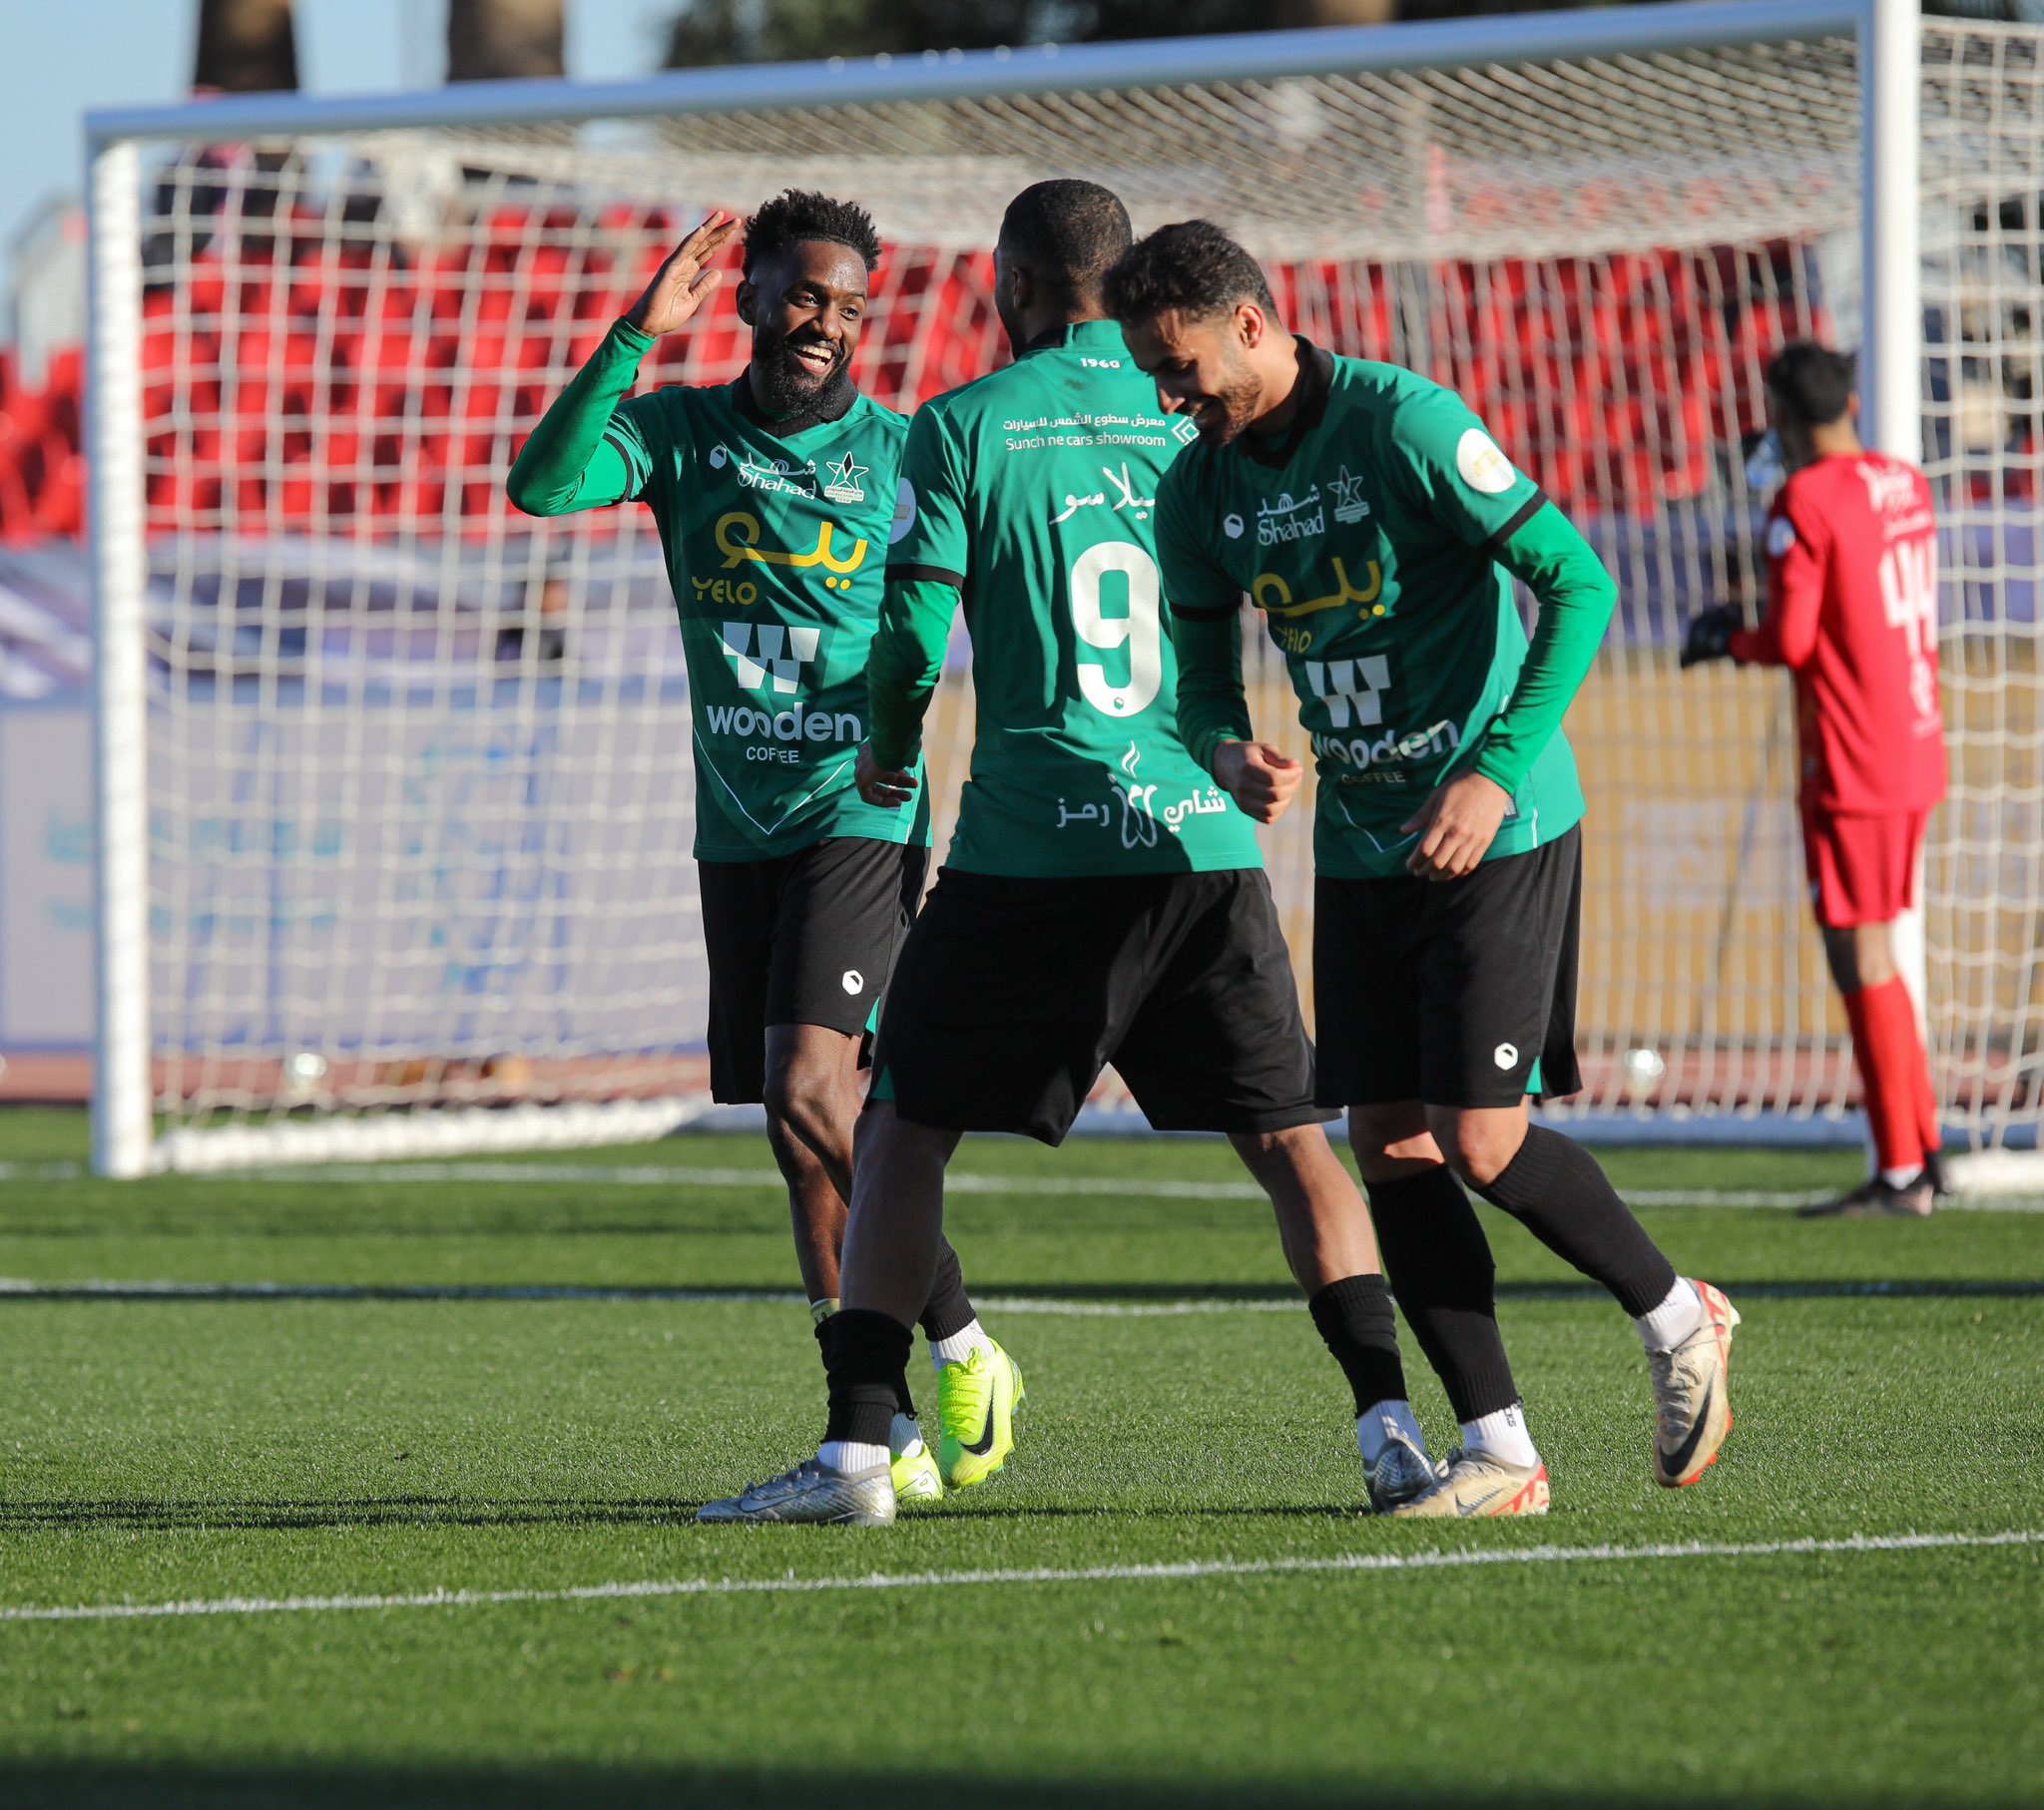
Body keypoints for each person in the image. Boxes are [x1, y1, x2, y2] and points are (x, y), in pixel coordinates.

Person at [699, 180, 1436, 1528]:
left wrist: (886, 746)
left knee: (901, 1127)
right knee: (1289, 1142)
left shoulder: (964, 423)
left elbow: (912, 634)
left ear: (1014, 285)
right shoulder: (1192, 414)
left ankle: (857, 1452)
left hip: (1029, 848)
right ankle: (1391, 1429)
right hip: (1192, 837)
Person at [1106, 220, 1739, 1518]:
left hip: (1498, 826)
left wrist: (1494, 768)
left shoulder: (1405, 425)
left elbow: (1577, 585)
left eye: (1180, 369)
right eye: (1151, 375)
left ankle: (1680, 1316)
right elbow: (1201, 669)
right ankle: (1499, 1449)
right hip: (1362, 845)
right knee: (1389, 1143)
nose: (1169, 398)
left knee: (1480, 1140)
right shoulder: (1196, 490)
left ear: (1250, 325)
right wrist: (1223, 748)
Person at [506, 192, 1012, 1507]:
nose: (825, 323)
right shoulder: (680, 435)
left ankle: (959, 1341)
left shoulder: (900, 452)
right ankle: (880, 1431)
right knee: (804, 1134)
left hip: (861, 806)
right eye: (803, 296)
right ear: (747, 298)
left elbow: (980, 601)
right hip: (735, 822)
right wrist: (634, 332)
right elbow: (542, 484)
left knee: (808, 1089)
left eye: (848, 306)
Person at [1683, 342, 1948, 1217]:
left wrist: (1728, 637)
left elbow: (1792, 641)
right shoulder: (1905, 482)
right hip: (1914, 738)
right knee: (1878, 948)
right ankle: (1922, 1147)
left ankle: (1902, 1172)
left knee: (1856, 951)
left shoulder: (1803, 499)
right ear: (1853, 404)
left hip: (1851, 755)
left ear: (1784, 417)